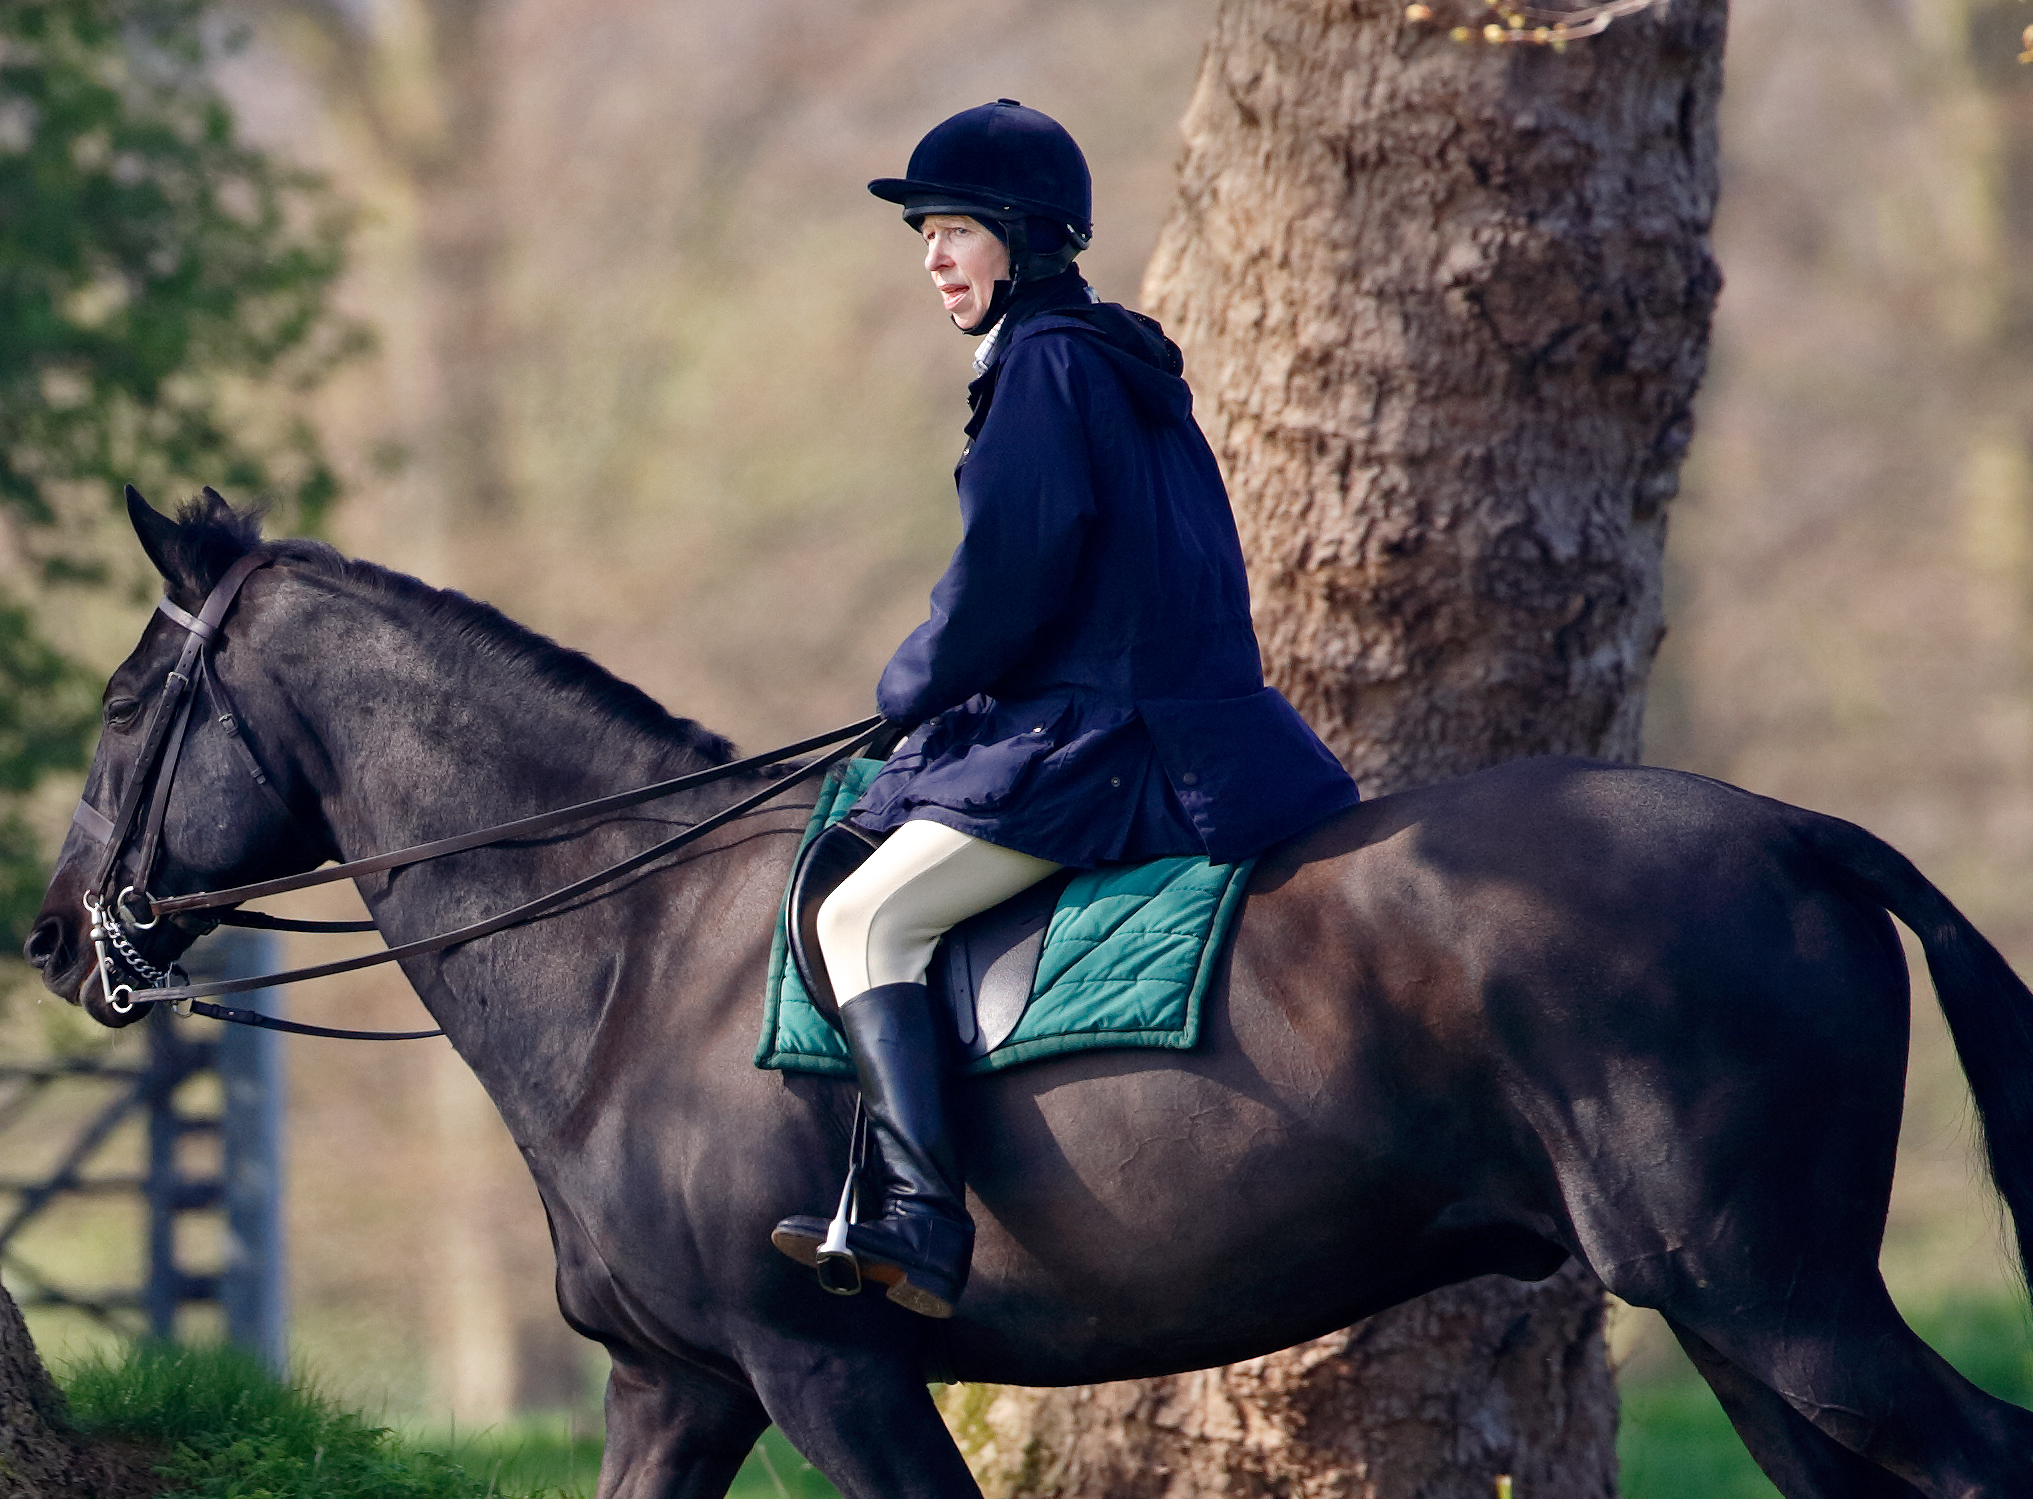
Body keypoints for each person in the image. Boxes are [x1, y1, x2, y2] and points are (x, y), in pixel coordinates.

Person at [770, 100, 1360, 1319]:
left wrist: (908, 687)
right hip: (1169, 716)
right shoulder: (1112, 361)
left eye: (954, 230)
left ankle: (919, 1221)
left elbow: (1010, 577)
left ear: (1022, 238)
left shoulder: (1044, 366)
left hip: (1099, 738)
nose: (932, 255)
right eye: (924, 234)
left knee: (864, 920)